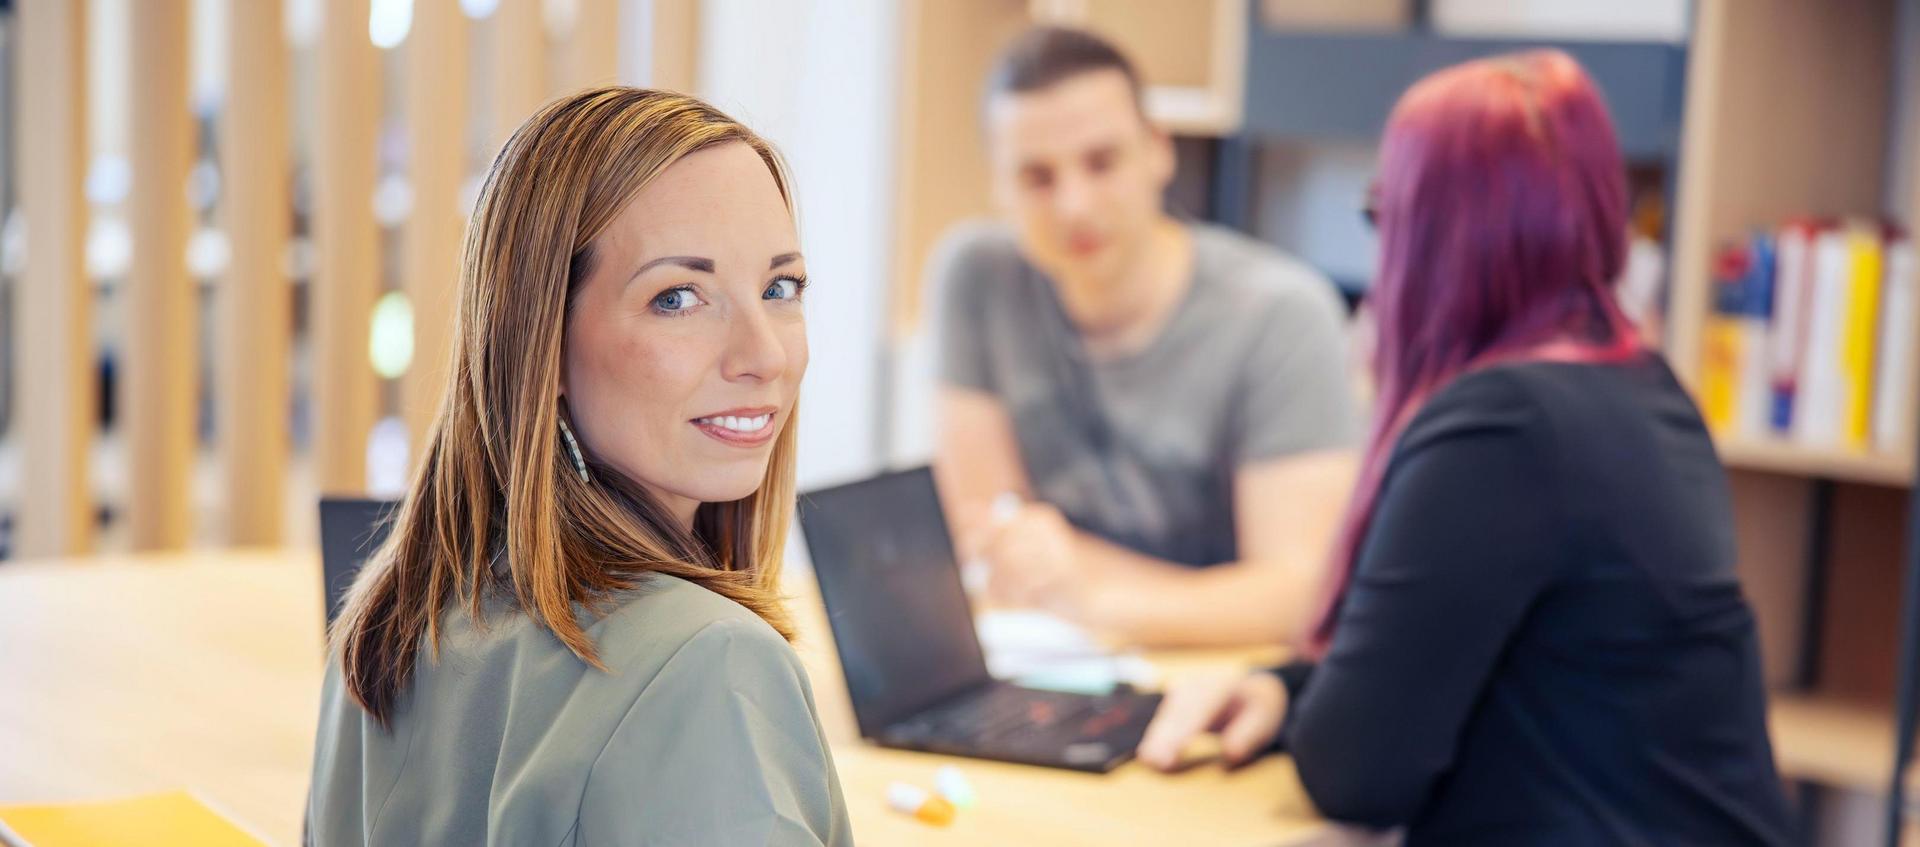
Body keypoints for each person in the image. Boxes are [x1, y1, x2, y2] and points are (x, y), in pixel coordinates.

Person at [1137, 51, 1795, 845]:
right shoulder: (1641, 389)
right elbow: (1461, 658)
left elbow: (1355, 772)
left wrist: (1305, 705)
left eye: (1384, 214)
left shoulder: (1499, 428)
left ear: (1426, 232)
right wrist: (1283, 688)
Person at [307, 88, 850, 846]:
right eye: (679, 297)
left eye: (779, 287)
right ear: (543, 341)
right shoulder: (709, 665)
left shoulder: (389, 620)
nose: (764, 354)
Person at [929, 26, 1359, 647]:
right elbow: (985, 536)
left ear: (1159, 150)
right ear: (996, 184)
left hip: (1219, 683)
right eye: (1037, 177)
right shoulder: (975, 275)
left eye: (1102, 163)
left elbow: (1299, 596)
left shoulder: (1283, 314)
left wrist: (1082, 591)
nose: (1074, 205)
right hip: (1050, 661)